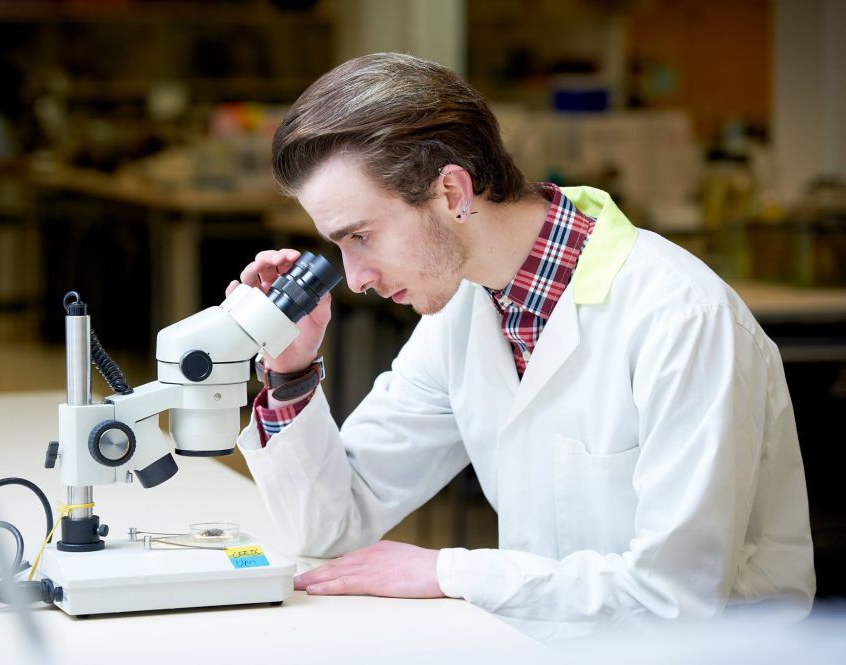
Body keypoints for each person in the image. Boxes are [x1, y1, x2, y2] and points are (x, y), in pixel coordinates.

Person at [227, 53, 815, 639]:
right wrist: (291, 369)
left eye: (361, 236)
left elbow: (674, 597)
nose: (354, 279)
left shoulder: (682, 319)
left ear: (453, 191)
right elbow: (332, 527)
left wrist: (447, 570)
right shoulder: (466, 310)